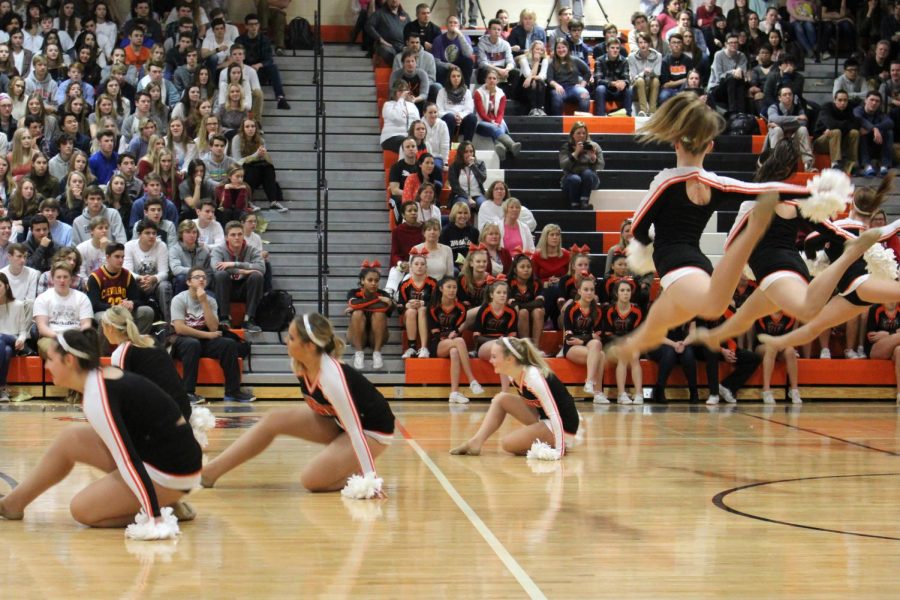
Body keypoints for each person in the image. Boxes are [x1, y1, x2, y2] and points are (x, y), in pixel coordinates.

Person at [609, 93, 810, 365]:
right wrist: (811, 191)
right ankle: (638, 339)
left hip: (674, 261)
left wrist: (646, 245)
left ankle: (751, 234)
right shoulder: (716, 184)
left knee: (710, 306)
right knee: (666, 317)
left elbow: (638, 228)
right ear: (710, 146)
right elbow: (760, 189)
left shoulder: (667, 181)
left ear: (676, 142)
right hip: (698, 261)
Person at [0, 326, 201, 535]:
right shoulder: (99, 379)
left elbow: (128, 460)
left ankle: (163, 506)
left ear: (69, 360)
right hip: (166, 456)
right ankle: (12, 504)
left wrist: (155, 517)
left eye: (50, 360)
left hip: (173, 472)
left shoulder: (99, 396)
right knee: (71, 439)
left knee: (82, 510)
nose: (46, 366)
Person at [201, 312, 393, 497]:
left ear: (309, 345)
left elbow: (355, 431)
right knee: (274, 419)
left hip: (371, 431)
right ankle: (210, 473)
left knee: (311, 480)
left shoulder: (331, 377)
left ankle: (356, 473)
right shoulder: (301, 363)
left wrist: (371, 481)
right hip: (338, 422)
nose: (286, 341)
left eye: (291, 338)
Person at [759, 177, 900, 356]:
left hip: (850, 291)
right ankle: (779, 342)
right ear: (872, 212)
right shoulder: (873, 232)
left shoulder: (838, 226)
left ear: (851, 205)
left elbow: (809, 240)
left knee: (815, 325)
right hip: (859, 287)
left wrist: (814, 256)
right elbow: (896, 226)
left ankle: (778, 342)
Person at [450, 336, 579, 458]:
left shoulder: (533, 377)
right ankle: (475, 442)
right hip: (544, 417)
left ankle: (555, 443)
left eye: (494, 357)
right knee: (501, 399)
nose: (490, 361)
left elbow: (554, 413)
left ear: (510, 359)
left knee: (507, 444)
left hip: (563, 426)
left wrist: (559, 451)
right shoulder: (514, 374)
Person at [170, 266, 255, 404]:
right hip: (182, 341)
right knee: (192, 344)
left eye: (204, 277)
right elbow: (180, 329)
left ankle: (233, 391)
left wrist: (204, 302)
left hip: (202, 339)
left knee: (228, 344)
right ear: (188, 282)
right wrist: (207, 335)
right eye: (197, 277)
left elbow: (214, 327)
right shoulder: (179, 299)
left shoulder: (210, 300)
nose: (202, 279)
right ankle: (188, 393)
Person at [427, 277, 482, 404]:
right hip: (437, 344)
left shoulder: (461, 308)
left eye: (454, 287)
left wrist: (455, 334)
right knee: (460, 341)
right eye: (449, 287)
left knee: (454, 352)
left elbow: (458, 329)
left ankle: (454, 393)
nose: (452, 290)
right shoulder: (433, 307)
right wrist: (448, 336)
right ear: (441, 289)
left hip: (453, 342)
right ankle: (472, 380)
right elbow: (434, 332)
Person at [87, 241, 154, 335]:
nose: (121, 260)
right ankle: (106, 348)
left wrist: (131, 303)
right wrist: (115, 307)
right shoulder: (95, 277)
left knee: (147, 311)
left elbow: (138, 299)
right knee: (105, 319)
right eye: (117, 257)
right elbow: (94, 305)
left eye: (122, 257)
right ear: (108, 257)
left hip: (124, 311)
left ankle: (135, 343)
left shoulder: (127, 275)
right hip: (105, 312)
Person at [210, 221, 263, 332]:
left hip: (245, 288)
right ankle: (224, 318)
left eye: (240, 234)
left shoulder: (252, 249)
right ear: (226, 237)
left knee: (257, 276)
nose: (237, 237)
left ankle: (249, 320)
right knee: (221, 275)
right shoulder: (218, 250)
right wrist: (244, 271)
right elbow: (216, 267)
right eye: (233, 235)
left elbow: (261, 268)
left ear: (243, 235)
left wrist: (234, 264)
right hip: (225, 287)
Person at [236, 14, 290, 111]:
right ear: (246, 26)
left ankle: (280, 98)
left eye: (256, 24)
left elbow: (269, 59)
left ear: (259, 25)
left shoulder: (264, 39)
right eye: (251, 24)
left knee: (273, 67)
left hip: (260, 71)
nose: (254, 27)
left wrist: (258, 65)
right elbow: (237, 58)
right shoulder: (240, 40)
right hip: (245, 71)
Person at [346, 260, 393, 371]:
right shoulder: (353, 292)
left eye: (376, 280)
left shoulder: (383, 293)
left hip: (377, 337)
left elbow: (383, 308)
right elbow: (353, 303)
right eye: (370, 280)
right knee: (357, 313)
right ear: (362, 281)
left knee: (379, 313)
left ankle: (377, 353)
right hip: (357, 336)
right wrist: (378, 300)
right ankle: (359, 353)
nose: (373, 283)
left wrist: (359, 306)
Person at [123, 218, 172, 323]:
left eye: (154, 233)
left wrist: (154, 278)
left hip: (155, 283)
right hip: (137, 283)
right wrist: (140, 278)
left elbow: (164, 272)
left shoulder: (161, 245)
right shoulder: (129, 246)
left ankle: (168, 325)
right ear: (139, 234)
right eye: (147, 233)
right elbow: (127, 271)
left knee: (165, 286)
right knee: (128, 284)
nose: (151, 236)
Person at [754, 311, 801, 404]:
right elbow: (761, 336)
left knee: (790, 351)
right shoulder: (762, 314)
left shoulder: (789, 316)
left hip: (781, 346)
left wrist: (781, 344)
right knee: (771, 349)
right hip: (762, 347)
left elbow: (788, 336)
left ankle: (794, 390)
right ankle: (766, 389)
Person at [474, 68, 521, 161]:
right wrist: (491, 122)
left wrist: (498, 122)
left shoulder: (501, 94)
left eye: (494, 78)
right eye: (489, 78)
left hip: (497, 122)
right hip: (482, 122)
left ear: (498, 80)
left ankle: (500, 147)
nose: (492, 80)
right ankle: (512, 145)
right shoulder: (478, 93)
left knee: (500, 127)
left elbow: (501, 112)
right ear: (485, 80)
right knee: (494, 128)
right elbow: (481, 113)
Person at [398, 250, 437, 359]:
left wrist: (424, 303)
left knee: (422, 309)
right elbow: (399, 305)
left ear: (426, 267)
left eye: (422, 264)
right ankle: (412, 347)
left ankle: (424, 348)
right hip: (410, 316)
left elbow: (437, 303)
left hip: (428, 315)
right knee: (411, 311)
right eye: (416, 264)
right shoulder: (404, 284)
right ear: (411, 267)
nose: (419, 267)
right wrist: (407, 305)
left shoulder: (433, 283)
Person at [766, 87, 816, 172]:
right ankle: (775, 164)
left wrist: (782, 125)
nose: (788, 96)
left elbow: (803, 122)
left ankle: (808, 164)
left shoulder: (798, 107)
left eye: (790, 94)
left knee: (803, 129)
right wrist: (795, 118)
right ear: (779, 98)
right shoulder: (773, 107)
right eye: (785, 95)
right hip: (777, 137)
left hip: (793, 138)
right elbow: (774, 119)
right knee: (777, 130)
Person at [814, 89, 861, 173]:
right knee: (836, 132)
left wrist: (836, 126)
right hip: (821, 142)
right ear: (834, 100)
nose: (843, 103)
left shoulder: (849, 109)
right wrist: (846, 124)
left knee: (854, 133)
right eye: (840, 100)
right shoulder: (826, 107)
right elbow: (832, 124)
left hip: (839, 141)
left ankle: (852, 164)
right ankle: (835, 164)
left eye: (845, 100)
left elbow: (856, 125)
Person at [560, 121, 604, 210]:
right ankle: (574, 204)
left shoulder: (593, 146)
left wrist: (593, 158)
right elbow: (564, 165)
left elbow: (601, 165)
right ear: (573, 134)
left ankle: (584, 202)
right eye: (578, 133)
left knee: (587, 173)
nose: (581, 136)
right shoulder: (566, 147)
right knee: (575, 179)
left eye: (584, 133)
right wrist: (576, 153)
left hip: (590, 178)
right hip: (571, 177)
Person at [865, 303, 900, 403]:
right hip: (876, 349)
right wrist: (896, 333)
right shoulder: (876, 309)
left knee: (899, 351)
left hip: (895, 349)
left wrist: (888, 334)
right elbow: (871, 337)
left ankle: (899, 394)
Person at [546, 38, 591, 116]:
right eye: (558, 48)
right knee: (556, 98)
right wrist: (556, 85)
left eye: (563, 47)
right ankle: (557, 124)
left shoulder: (575, 60)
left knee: (585, 94)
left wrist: (582, 85)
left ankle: (581, 123)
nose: (561, 50)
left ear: (567, 48)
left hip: (573, 88)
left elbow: (587, 72)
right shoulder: (552, 63)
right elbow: (549, 79)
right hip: (559, 88)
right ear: (555, 50)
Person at [707, 32, 750, 114]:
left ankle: (741, 114)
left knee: (738, 81)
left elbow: (742, 75)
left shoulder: (742, 56)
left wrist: (739, 72)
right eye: (731, 43)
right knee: (731, 78)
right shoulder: (718, 55)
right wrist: (733, 71)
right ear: (726, 44)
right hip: (717, 87)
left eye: (735, 42)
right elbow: (719, 76)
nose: (733, 45)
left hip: (734, 86)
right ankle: (733, 113)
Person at [853, 91, 894, 177]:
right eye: (871, 100)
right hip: (861, 148)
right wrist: (874, 129)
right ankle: (867, 166)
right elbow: (859, 119)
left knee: (889, 132)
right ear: (865, 100)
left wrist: (874, 128)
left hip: (876, 144)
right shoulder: (858, 110)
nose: (874, 103)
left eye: (877, 101)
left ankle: (884, 165)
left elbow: (890, 122)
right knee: (861, 131)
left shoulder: (879, 113)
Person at [436, 64, 476, 142]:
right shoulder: (442, 92)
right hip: (448, 120)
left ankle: (467, 144)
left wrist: (460, 116)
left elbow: (469, 110)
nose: (456, 78)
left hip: (462, 120)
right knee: (450, 118)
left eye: (458, 76)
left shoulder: (467, 92)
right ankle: (448, 145)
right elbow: (439, 111)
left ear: (461, 78)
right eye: (453, 76)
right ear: (449, 78)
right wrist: (454, 116)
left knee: (472, 117)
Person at [594, 39, 632, 116]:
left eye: (617, 48)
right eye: (612, 48)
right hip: (606, 90)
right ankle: (600, 118)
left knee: (629, 90)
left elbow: (627, 79)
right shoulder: (599, 60)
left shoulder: (624, 61)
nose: (615, 50)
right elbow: (598, 80)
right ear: (607, 49)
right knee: (600, 88)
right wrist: (612, 83)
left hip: (618, 90)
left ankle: (628, 117)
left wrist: (624, 83)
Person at [628, 33, 663, 116]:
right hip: (637, 87)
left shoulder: (658, 56)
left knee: (655, 80)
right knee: (640, 80)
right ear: (637, 44)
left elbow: (658, 74)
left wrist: (651, 72)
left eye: (645, 42)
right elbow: (633, 78)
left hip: (651, 85)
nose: (643, 45)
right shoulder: (632, 57)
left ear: (650, 43)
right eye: (640, 42)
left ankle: (652, 111)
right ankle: (643, 111)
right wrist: (643, 73)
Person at [366, 0, 410, 66]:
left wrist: (408, 45)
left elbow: (411, 31)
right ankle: (400, 69)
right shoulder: (379, 13)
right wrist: (380, 39)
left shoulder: (405, 15)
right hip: (386, 46)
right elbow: (368, 26)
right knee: (386, 51)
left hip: (402, 46)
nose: (394, 0)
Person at [381, 80, 420, 153]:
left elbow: (417, 123)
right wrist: (401, 99)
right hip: (390, 137)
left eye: (404, 90)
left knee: (421, 144)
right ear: (394, 92)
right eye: (400, 91)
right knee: (407, 143)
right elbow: (397, 117)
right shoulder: (388, 105)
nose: (402, 93)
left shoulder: (411, 106)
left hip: (408, 138)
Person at [476, 19, 516, 86]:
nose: (497, 31)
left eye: (499, 29)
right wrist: (497, 70)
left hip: (503, 69)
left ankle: (508, 95)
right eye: (494, 29)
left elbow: (511, 62)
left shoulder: (506, 44)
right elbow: (482, 63)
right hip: (489, 69)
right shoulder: (482, 43)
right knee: (482, 72)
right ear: (489, 30)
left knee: (516, 73)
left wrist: (507, 70)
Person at [447, 141, 486, 209]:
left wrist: (473, 166)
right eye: (466, 152)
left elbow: (482, 179)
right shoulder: (454, 166)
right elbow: (455, 187)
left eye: (471, 151)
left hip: (477, 194)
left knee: (484, 206)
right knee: (463, 206)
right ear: (461, 154)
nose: (469, 154)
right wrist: (468, 198)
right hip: (460, 195)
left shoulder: (480, 164)